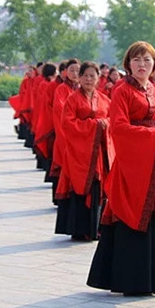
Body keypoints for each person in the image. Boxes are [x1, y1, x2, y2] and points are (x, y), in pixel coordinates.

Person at [87, 41, 155, 295]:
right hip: (133, 165)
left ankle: (153, 279)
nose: (142, 65)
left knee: (154, 213)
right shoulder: (122, 91)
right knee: (131, 211)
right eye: (137, 60)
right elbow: (119, 127)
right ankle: (130, 279)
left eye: (147, 60)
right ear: (128, 64)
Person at [54, 61, 113, 240]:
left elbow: (113, 120)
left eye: (92, 76)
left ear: (98, 79)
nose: (89, 79)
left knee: (98, 188)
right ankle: (80, 229)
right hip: (79, 153)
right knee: (80, 187)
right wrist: (95, 125)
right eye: (85, 75)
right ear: (79, 78)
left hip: (99, 154)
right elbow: (68, 124)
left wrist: (104, 125)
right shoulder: (73, 99)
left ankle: (96, 227)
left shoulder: (104, 99)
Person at [50, 59, 81, 202]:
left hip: (81, 135)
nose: (75, 73)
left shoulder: (83, 89)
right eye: (71, 70)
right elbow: (60, 111)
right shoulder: (62, 89)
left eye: (77, 70)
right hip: (66, 134)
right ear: (65, 72)